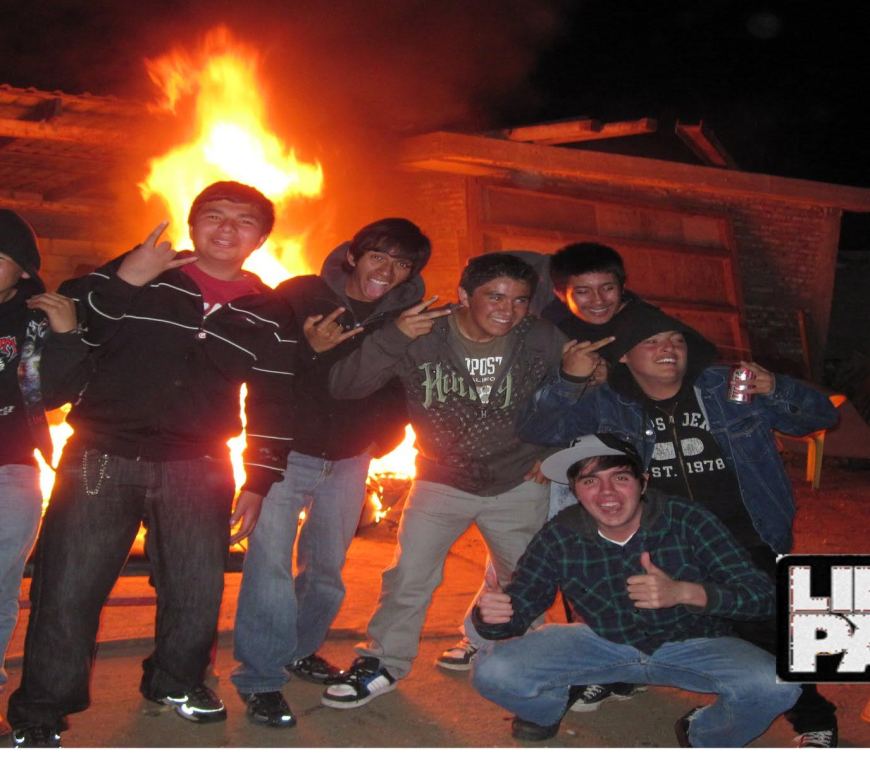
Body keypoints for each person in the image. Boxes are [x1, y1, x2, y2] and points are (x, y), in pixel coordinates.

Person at [7, 181, 297, 747]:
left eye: (243, 221)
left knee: (196, 589)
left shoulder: (270, 312)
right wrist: (126, 280)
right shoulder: (144, 271)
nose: (226, 228)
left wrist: (261, 477)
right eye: (214, 215)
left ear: (261, 239)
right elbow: (73, 323)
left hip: (198, 461)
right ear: (192, 224)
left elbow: (274, 398)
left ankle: (176, 681)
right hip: (102, 453)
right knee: (68, 587)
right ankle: (41, 709)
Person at [519, 301, 841, 747]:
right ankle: (615, 674)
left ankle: (814, 719)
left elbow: (823, 416)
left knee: (768, 628)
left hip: (744, 535)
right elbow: (539, 428)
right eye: (651, 341)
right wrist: (570, 379)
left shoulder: (725, 387)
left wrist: (778, 388)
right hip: (655, 539)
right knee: (619, 612)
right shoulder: (609, 400)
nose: (667, 348)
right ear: (625, 356)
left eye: (675, 340)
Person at [320, 252, 566, 709]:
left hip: (518, 480)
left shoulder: (540, 337)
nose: (508, 310)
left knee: (525, 581)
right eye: (495, 296)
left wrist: (556, 450)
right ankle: (384, 662)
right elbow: (345, 385)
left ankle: (528, 662)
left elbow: (577, 389)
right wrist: (393, 338)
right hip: (440, 479)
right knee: (409, 576)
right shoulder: (422, 333)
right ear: (464, 296)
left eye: (519, 300)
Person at [471, 433, 801, 746]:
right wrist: (491, 615)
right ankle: (545, 710)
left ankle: (704, 734)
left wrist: (684, 593)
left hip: (695, 644)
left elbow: (763, 598)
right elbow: (522, 603)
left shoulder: (688, 520)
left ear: (643, 481)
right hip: (601, 642)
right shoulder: (560, 534)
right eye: (590, 481)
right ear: (575, 491)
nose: (607, 493)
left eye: (620, 477)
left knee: (777, 685)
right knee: (493, 670)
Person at [231, 218, 431, 727]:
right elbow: (264, 367)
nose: (386, 270)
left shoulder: (407, 318)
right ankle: (261, 678)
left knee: (325, 572)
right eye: (377, 256)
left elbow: (403, 385)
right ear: (353, 256)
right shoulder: (300, 295)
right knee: (269, 570)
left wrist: (383, 438)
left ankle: (299, 650)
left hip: (349, 459)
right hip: (287, 453)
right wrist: (310, 350)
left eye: (401, 263)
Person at [436, 241, 650, 690]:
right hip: (555, 461)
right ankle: (483, 633)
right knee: (523, 553)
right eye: (582, 291)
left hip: (619, 462)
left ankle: (614, 655)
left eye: (607, 288)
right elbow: (524, 399)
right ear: (560, 293)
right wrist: (541, 450)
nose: (596, 300)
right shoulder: (546, 329)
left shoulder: (644, 326)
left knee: (615, 558)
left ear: (622, 287)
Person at [0, 210, 79, 738]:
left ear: (24, 270)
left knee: (0, 587)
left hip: (10, 468)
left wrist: (68, 335)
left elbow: (56, 395)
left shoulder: (35, 321)